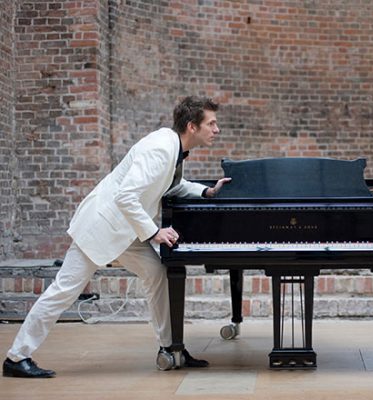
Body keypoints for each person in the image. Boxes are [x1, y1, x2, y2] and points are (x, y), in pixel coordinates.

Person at [3, 96, 231, 378]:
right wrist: (155, 232)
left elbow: (170, 184)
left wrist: (205, 192)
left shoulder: (172, 147)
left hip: (126, 231)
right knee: (64, 290)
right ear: (191, 126)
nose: (216, 129)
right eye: (211, 123)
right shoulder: (161, 148)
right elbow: (126, 195)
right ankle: (17, 357)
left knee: (158, 274)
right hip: (102, 227)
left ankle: (171, 348)